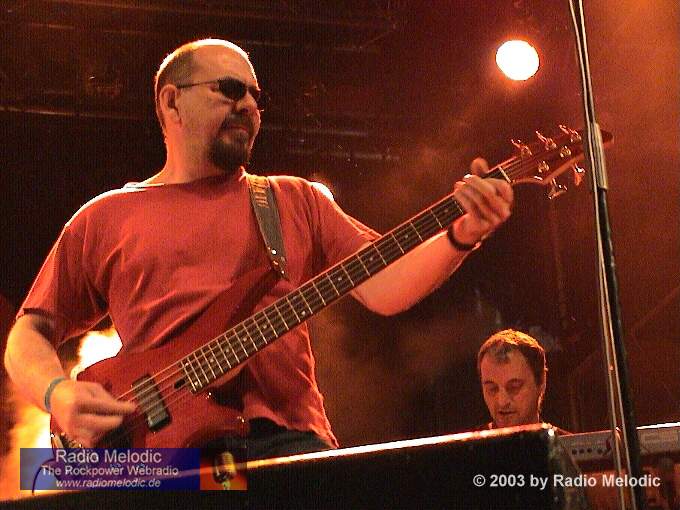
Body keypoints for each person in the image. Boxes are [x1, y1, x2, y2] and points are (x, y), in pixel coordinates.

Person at [4, 39, 513, 459]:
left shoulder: (293, 199)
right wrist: (58, 393)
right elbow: (27, 334)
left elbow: (386, 288)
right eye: (229, 90)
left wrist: (462, 234)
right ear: (171, 102)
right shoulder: (104, 217)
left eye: (254, 96)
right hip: (161, 456)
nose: (247, 105)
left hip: (287, 443)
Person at [476, 329, 568, 434]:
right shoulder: (465, 444)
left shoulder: (569, 443)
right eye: (492, 389)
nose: (502, 402)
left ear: (541, 381)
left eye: (514, 387)